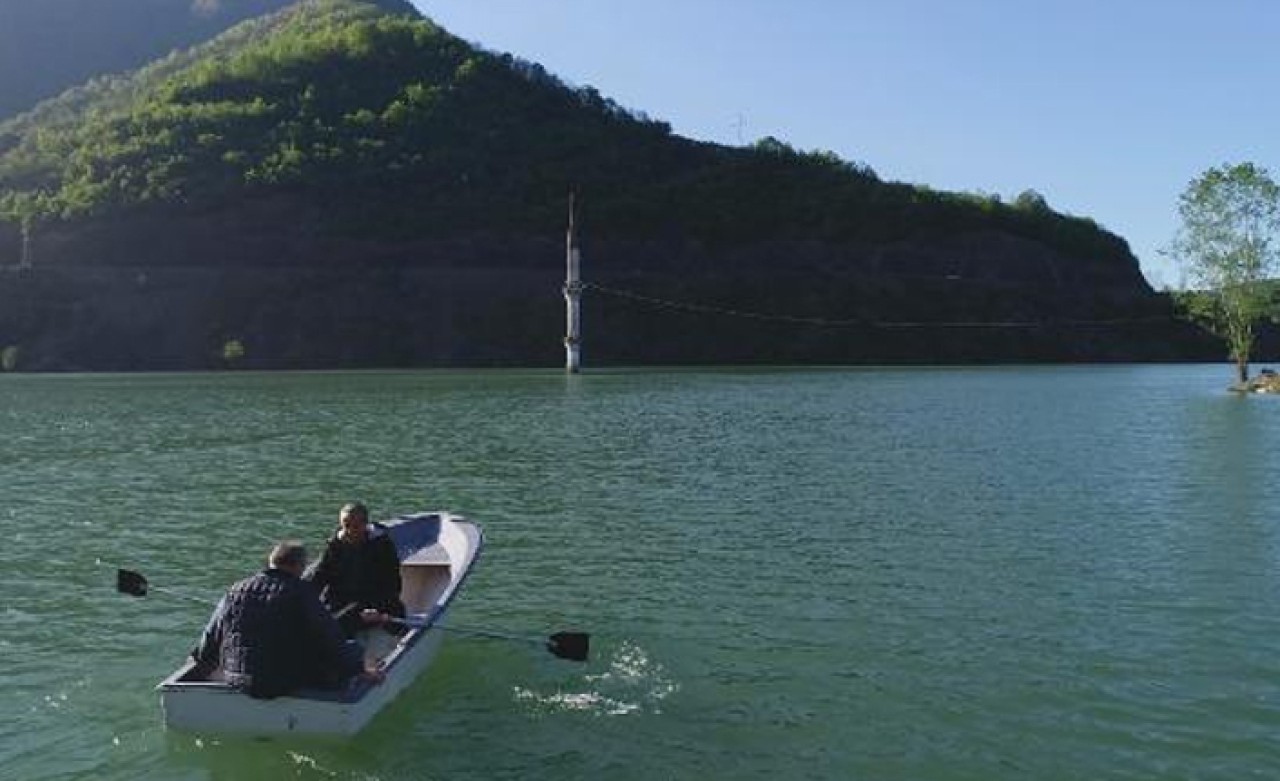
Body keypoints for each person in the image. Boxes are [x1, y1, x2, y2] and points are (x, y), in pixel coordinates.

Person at [192, 541, 384, 699]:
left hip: (237, 678)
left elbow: (211, 634)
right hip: (283, 681)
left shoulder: (235, 589)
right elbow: (331, 638)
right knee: (355, 648)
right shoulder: (301, 591)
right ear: (299, 566)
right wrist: (359, 667)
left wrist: (200, 661)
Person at [306, 502, 406, 636]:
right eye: (346, 525)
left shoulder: (382, 546)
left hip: (376, 602)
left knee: (396, 623)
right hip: (343, 602)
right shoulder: (335, 546)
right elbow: (319, 577)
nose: (350, 531)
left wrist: (377, 608)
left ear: (365, 525)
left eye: (355, 526)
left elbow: (392, 582)